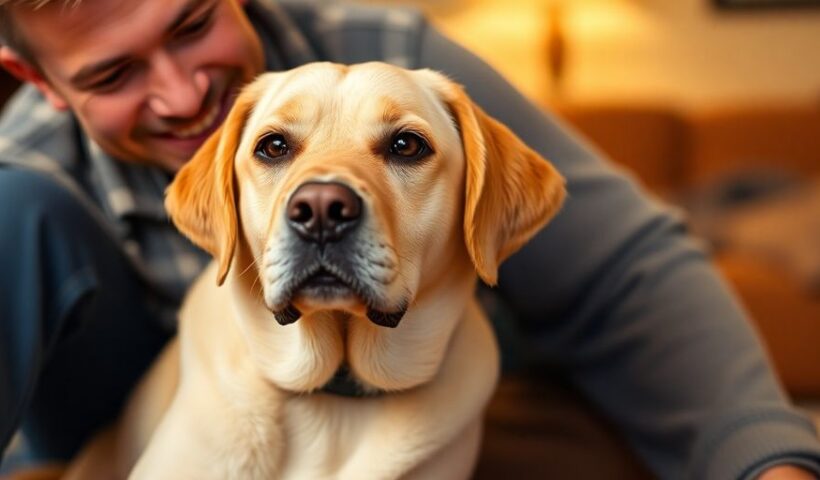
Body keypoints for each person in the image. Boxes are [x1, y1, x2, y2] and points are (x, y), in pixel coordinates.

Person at [0, 0, 817, 478]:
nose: (183, 95)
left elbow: (626, 271)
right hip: (138, 393)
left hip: (429, 380)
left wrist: (766, 457)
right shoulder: (27, 162)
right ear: (42, 83)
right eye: (113, 75)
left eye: (191, 24)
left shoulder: (397, 55)